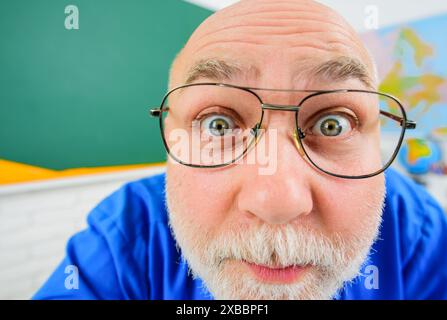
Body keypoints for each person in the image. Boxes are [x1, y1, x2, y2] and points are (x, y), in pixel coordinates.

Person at [34, 0, 447, 300]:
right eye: (218, 124)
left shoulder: (415, 228)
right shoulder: (128, 233)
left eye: (332, 124)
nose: (277, 201)